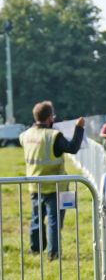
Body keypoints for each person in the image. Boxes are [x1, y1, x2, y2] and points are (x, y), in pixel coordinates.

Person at [20, 101, 84, 259]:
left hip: (35, 186)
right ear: (50, 118)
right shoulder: (54, 136)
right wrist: (79, 128)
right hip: (55, 187)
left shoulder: (25, 135)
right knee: (54, 221)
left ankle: (35, 249)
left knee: (36, 219)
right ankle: (53, 253)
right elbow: (73, 148)